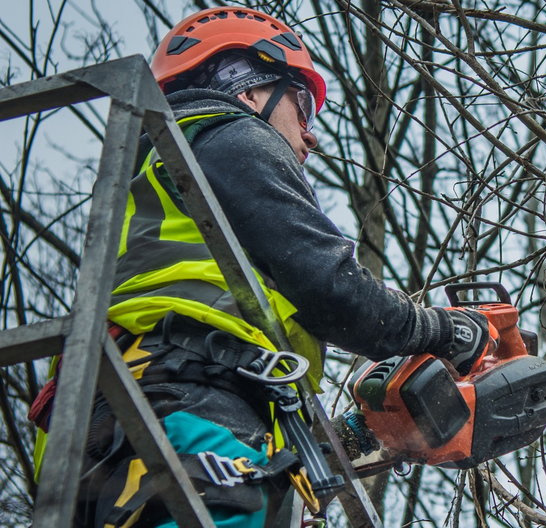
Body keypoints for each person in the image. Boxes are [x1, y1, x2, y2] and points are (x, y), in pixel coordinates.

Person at [30, 6, 492, 528]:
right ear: (248, 89)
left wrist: (370, 433)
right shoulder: (226, 133)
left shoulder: (154, 176)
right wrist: (442, 330)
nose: (311, 136)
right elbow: (334, 289)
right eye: (302, 106)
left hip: (120, 426)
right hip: (178, 403)